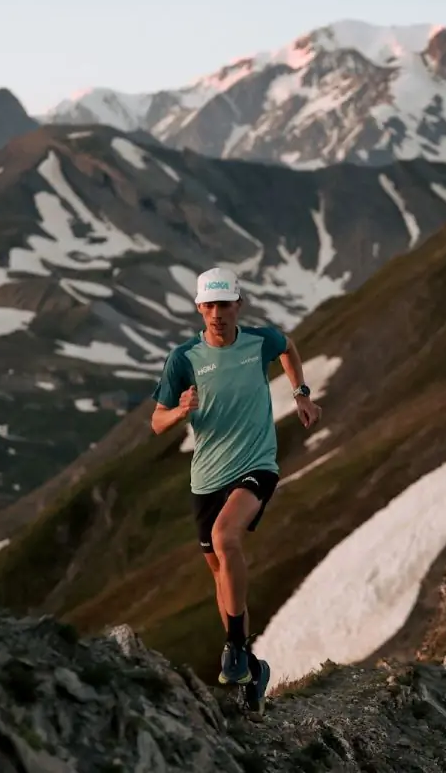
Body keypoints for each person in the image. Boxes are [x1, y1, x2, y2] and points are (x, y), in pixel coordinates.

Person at [149, 266, 322, 711]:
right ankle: (253, 669)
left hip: (257, 464)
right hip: (206, 477)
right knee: (221, 575)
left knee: (228, 538)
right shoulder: (184, 358)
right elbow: (157, 421)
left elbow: (289, 348)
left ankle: (234, 650)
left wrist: (300, 392)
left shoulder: (258, 341)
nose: (217, 313)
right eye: (209, 305)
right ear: (199, 308)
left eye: (224, 304)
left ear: (238, 305)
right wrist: (180, 410)